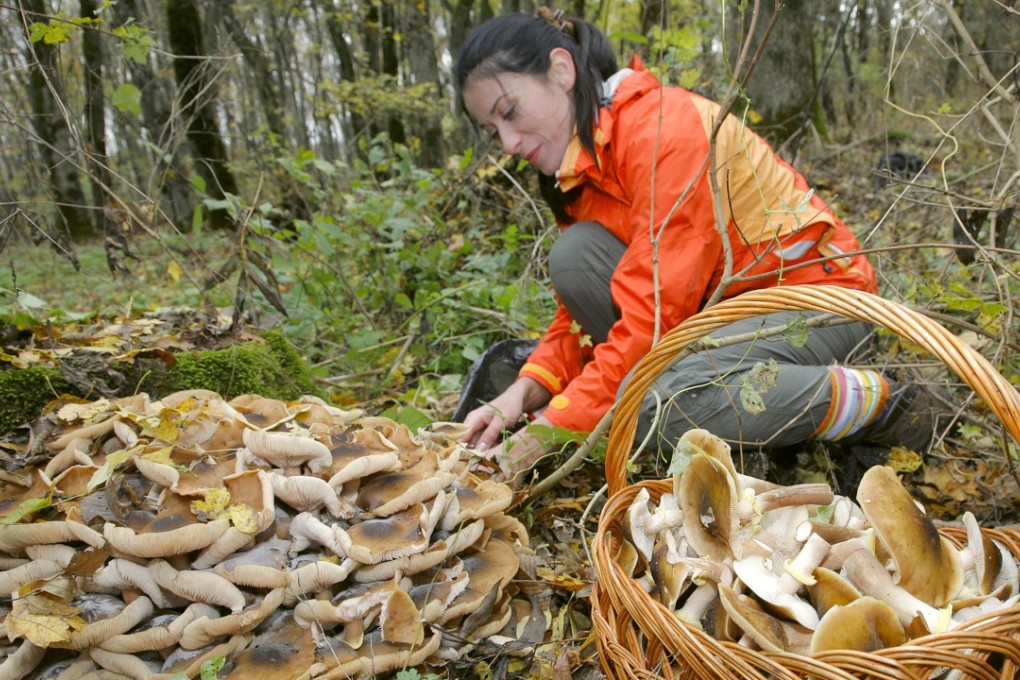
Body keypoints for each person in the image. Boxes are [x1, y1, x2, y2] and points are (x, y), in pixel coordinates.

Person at [455, 8, 935, 487]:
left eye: (510, 111)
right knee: (575, 256)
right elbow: (579, 321)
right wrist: (524, 391)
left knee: (663, 403)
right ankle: (738, 410)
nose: (510, 143)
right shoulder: (582, 167)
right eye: (494, 131)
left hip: (819, 299)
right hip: (723, 310)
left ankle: (884, 404)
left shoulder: (663, 131)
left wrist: (548, 431)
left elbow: (651, 319)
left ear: (561, 69)